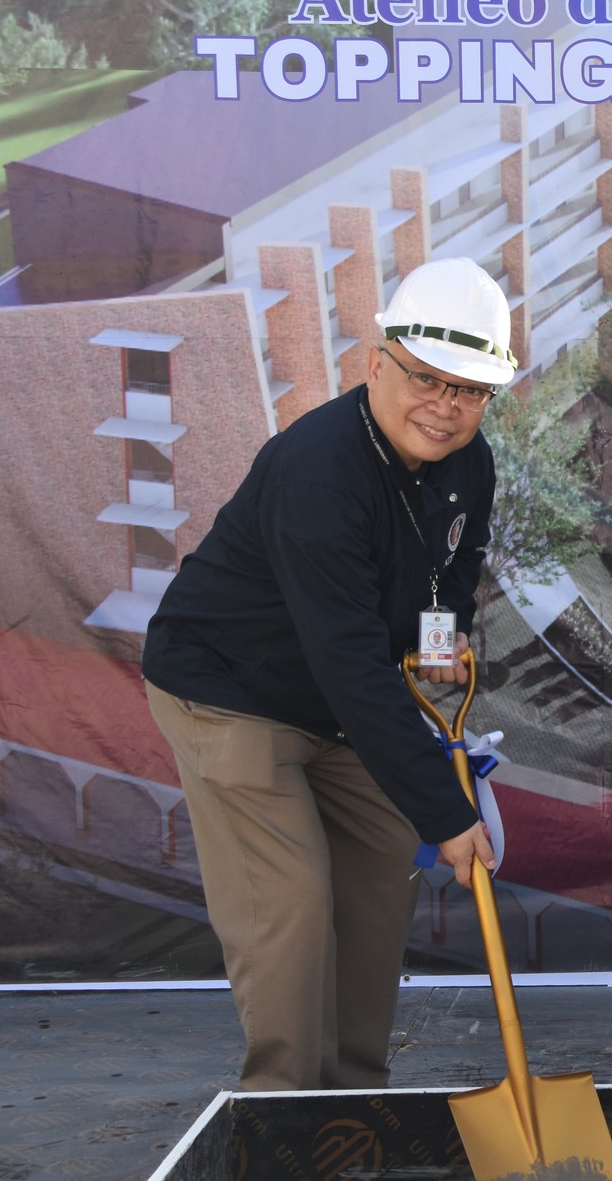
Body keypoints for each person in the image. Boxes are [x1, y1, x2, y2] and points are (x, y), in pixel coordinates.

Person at [142, 258, 511, 1091]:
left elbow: (449, 577)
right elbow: (349, 661)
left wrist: (443, 668)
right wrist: (449, 813)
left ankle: (353, 1095)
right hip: (230, 689)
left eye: (469, 390)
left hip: (339, 697)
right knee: (294, 897)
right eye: (427, 378)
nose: (445, 406)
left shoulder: (467, 462)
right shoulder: (319, 472)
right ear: (377, 361)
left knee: (384, 859)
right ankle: (283, 1107)